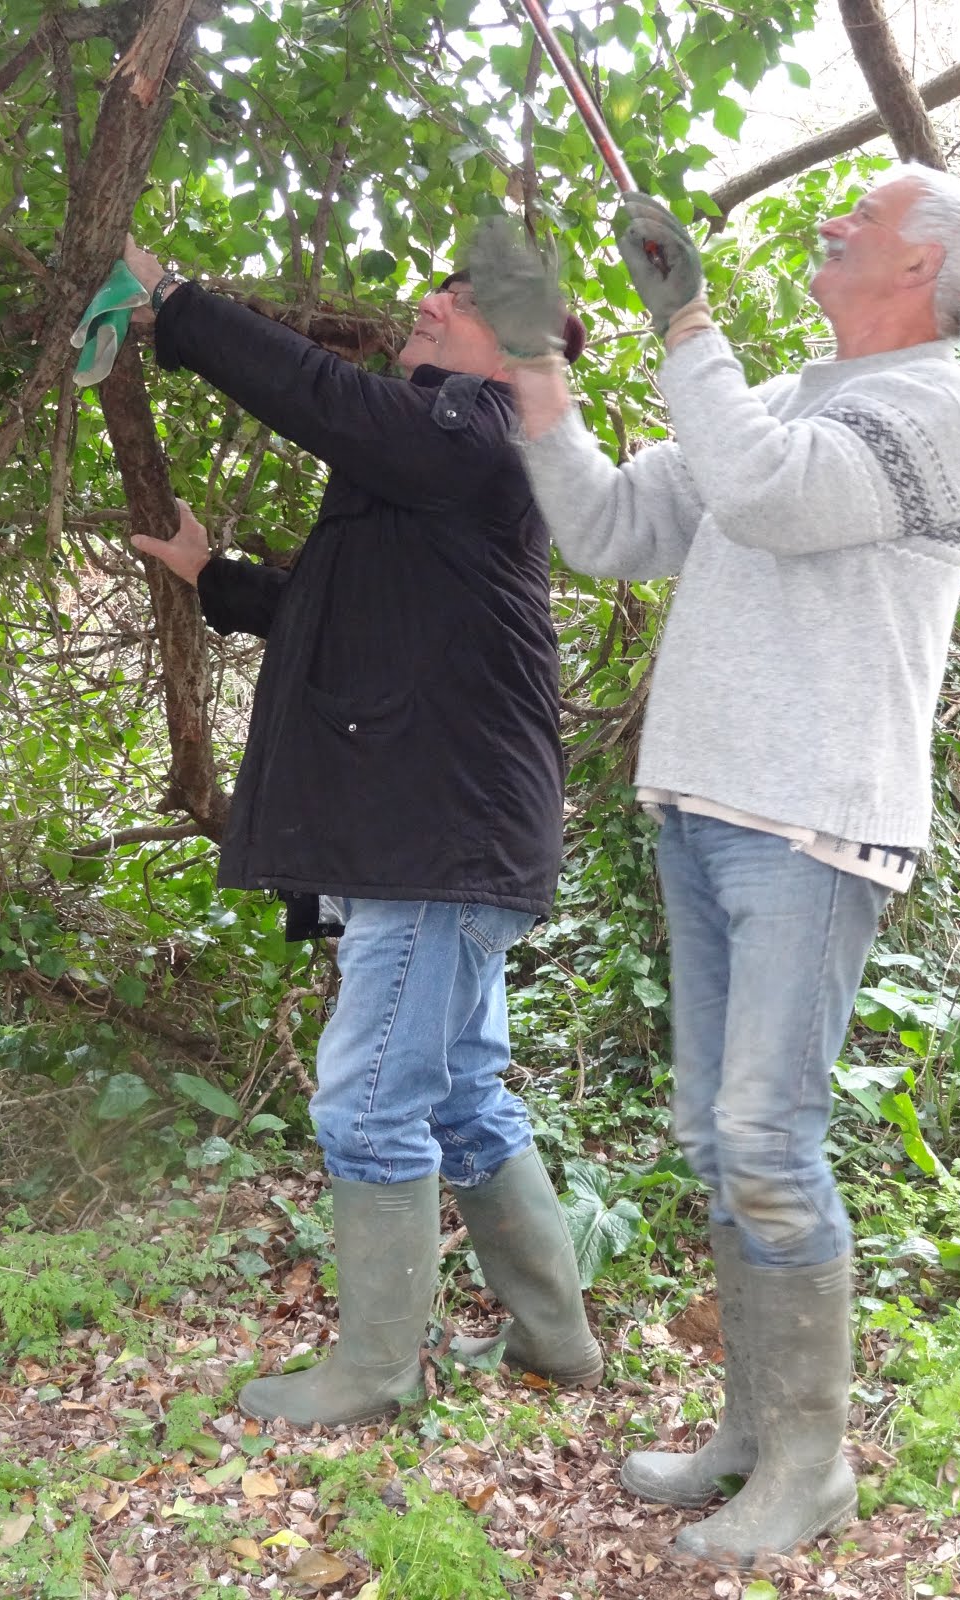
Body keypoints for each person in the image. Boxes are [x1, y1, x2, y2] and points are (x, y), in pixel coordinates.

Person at [467, 164, 960, 1567]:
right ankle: (755, 1435)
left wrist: (686, 324)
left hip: (815, 819)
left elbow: (771, 500)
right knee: (725, 1145)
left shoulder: (938, 411)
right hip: (708, 805)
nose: (837, 223)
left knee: (767, 1141)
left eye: (866, 220)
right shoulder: (772, 397)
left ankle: (812, 1469)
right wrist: (534, 368)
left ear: (923, 269)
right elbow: (604, 530)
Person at [120, 239, 603, 1427]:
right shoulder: (441, 464)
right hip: (445, 835)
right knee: (461, 1094)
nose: (431, 302)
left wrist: (177, 303)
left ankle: (376, 1373)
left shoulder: (482, 429)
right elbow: (332, 606)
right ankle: (555, 1339)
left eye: (463, 295)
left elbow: (324, 398)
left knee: (372, 1099)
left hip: (436, 841)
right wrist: (213, 574)